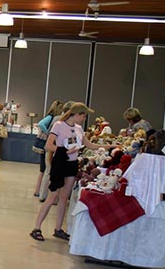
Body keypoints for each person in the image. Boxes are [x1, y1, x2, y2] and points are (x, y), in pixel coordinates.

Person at [30, 103, 114, 242]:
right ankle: (37, 227)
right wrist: (64, 150)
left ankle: (58, 228)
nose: (84, 118)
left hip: (72, 164)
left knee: (64, 197)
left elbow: (90, 145)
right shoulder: (59, 125)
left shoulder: (79, 129)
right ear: (76, 114)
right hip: (60, 163)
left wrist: (110, 146)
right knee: (53, 197)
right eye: (83, 115)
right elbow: (48, 145)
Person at [33, 100, 64, 197]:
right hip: (45, 144)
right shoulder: (51, 117)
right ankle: (38, 190)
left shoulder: (51, 117)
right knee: (44, 169)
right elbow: (41, 123)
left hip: (44, 144)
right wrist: (48, 133)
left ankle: (38, 190)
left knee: (43, 169)